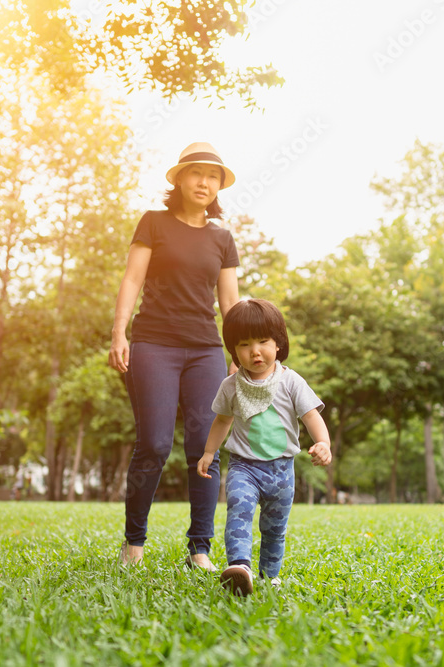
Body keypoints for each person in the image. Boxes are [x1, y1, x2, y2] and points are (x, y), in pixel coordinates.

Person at [109, 141, 240, 572]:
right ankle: (134, 543)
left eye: (213, 176)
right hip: (154, 344)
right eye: (196, 173)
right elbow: (132, 279)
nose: (204, 182)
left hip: (205, 350)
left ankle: (199, 549)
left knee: (205, 447)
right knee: (154, 443)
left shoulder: (222, 238)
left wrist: (237, 353)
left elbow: (231, 304)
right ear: (180, 179)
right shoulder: (154, 223)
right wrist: (119, 331)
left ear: (219, 186)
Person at [197, 299, 332, 596]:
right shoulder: (231, 385)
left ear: (279, 343)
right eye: (244, 345)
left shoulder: (290, 381)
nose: (255, 351)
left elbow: (311, 415)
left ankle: (269, 575)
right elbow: (221, 421)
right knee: (239, 512)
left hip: (282, 470)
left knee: (274, 530)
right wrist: (209, 453)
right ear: (234, 351)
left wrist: (323, 442)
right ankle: (240, 567)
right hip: (244, 467)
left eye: (263, 341)